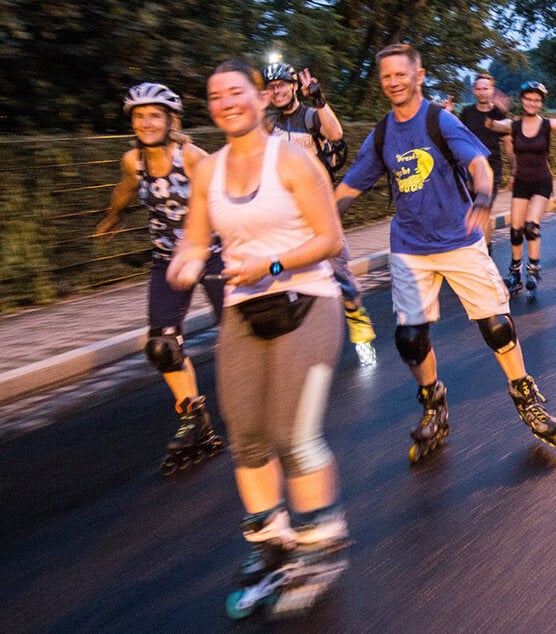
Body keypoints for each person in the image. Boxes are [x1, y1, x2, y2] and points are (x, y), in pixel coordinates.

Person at [166, 58, 349, 615]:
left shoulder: (294, 161)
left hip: (309, 303)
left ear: (260, 99)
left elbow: (331, 239)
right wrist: (185, 264)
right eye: (216, 95)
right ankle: (272, 546)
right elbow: (195, 240)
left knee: (293, 435)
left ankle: (321, 544)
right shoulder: (206, 172)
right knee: (245, 435)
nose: (227, 102)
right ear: (211, 107)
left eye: (237, 92)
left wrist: (270, 265)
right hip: (244, 309)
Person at [335, 43, 556, 463]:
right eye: (385, 76)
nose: (392, 82)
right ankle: (433, 403)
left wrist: (482, 197)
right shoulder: (384, 133)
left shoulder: (439, 121)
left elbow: (480, 165)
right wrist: (322, 226)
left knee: (496, 326)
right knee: (409, 338)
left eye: (400, 74)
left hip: (458, 239)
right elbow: (352, 185)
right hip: (410, 246)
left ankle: (524, 394)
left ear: (418, 75)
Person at [96, 82, 225, 475]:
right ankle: (194, 419)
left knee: (242, 332)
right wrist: (113, 215)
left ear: (172, 120)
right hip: (167, 259)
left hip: (214, 252)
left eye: (155, 115)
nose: (146, 123)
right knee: (161, 345)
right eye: (139, 116)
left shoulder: (192, 157)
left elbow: (224, 199)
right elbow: (127, 189)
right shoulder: (132, 160)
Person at [263, 61, 377, 365]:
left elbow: (336, 133)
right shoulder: (269, 124)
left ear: (292, 87)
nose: (277, 91)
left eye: (281, 85)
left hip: (319, 211)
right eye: (271, 87)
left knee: (341, 278)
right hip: (285, 214)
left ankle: (360, 328)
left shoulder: (311, 115)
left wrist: (319, 98)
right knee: (282, 274)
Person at [486, 81, 556, 301]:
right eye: (528, 98)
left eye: (537, 100)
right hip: (521, 183)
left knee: (530, 227)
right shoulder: (513, 124)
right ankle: (515, 271)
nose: (532, 103)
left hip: (542, 183)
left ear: (541, 103)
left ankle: (533, 270)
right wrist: (494, 107)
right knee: (515, 231)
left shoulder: (547, 124)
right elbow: (491, 125)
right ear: (522, 100)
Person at [459, 72, 513, 255]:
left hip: (492, 168)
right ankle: (472, 250)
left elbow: (508, 143)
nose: (482, 92)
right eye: (479, 89)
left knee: (484, 209)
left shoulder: (499, 114)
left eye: (486, 88)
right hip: (469, 169)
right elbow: (457, 138)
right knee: (469, 210)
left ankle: (486, 253)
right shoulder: (466, 113)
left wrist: (514, 171)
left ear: (492, 90)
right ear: (474, 91)